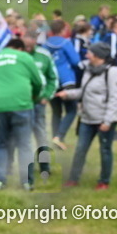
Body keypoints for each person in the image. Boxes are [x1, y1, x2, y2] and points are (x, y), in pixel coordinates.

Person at [58, 42, 117, 190]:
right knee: (80, 149)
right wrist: (67, 94)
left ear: (98, 56)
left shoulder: (113, 72)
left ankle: (104, 181)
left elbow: (115, 98)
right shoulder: (89, 69)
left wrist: (107, 121)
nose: (87, 55)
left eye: (90, 53)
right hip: (87, 118)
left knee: (105, 150)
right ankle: (73, 179)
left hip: (105, 120)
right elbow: (84, 90)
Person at [0, 38, 44, 190]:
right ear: (20, 48)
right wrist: (34, 97)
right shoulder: (24, 57)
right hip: (21, 104)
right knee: (24, 144)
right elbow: (38, 82)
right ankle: (27, 181)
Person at [43, 19, 81, 149]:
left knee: (56, 111)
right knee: (71, 110)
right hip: (66, 80)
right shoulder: (66, 43)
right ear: (63, 30)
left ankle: (55, 137)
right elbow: (76, 61)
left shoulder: (45, 44)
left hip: (51, 80)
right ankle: (59, 136)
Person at [25, 34, 58, 180]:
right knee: (22, 137)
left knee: (40, 135)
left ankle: (45, 166)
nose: (28, 41)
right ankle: (25, 167)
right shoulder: (17, 54)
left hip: (38, 103)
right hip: (21, 103)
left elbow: (53, 77)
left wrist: (47, 96)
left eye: (31, 38)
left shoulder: (43, 55)